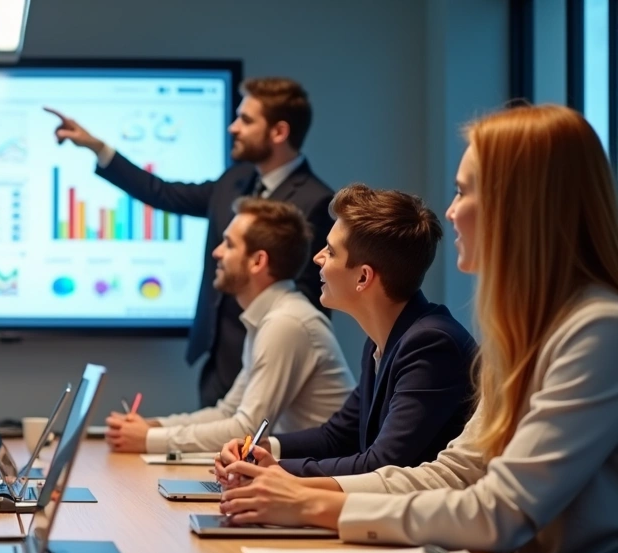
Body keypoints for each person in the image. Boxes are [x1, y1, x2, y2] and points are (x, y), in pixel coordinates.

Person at [218, 104, 618, 553]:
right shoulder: (526, 332)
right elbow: (454, 473)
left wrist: (312, 504)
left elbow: (501, 511)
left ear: (519, 205)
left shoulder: (597, 329)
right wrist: (300, 492)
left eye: (463, 191)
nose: (450, 212)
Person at [48, 77, 334, 408]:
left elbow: (306, 301)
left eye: (246, 119)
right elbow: (165, 193)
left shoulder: (314, 201)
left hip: (269, 360)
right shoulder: (235, 180)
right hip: (217, 361)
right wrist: (99, 148)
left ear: (279, 132)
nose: (233, 128)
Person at [214, 184, 476, 478]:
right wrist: (264, 448)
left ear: (363, 277)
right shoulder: (382, 340)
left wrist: (273, 471)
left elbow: (382, 463)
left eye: (330, 251)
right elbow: (337, 436)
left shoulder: (431, 345)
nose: (318, 258)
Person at [106, 198, 354, 454]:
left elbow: (247, 430)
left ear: (257, 261)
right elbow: (228, 412)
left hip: (323, 472)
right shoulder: (272, 316)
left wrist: (150, 439)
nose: (217, 252)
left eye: (229, 244)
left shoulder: (286, 323)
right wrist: (152, 427)